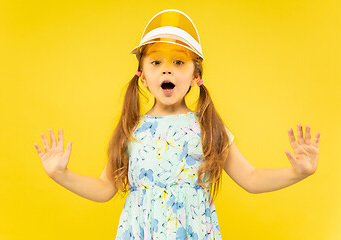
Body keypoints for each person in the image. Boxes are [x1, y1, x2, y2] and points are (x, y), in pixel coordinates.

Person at [34, 9, 321, 240]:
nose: (167, 69)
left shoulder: (209, 129)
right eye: (156, 62)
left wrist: (297, 172)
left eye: (179, 62)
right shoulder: (130, 130)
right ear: (142, 76)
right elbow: (104, 188)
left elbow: (252, 179)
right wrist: (61, 174)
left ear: (197, 76)